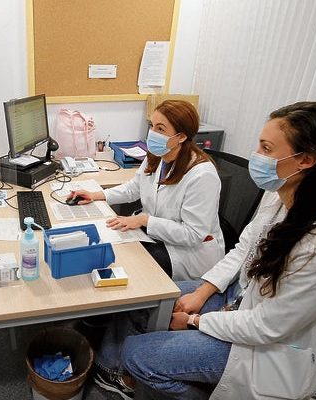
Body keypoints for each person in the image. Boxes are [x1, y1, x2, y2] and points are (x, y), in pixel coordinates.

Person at [94, 102, 316, 400]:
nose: (257, 156)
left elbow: (267, 326)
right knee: (145, 297)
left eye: (266, 148)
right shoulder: (282, 195)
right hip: (240, 298)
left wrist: (195, 320)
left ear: (304, 160)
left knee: (138, 353)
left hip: (268, 348)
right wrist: (202, 293)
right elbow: (244, 248)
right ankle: (120, 372)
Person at [68, 100, 224, 280]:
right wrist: (97, 195)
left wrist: (144, 220)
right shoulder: (157, 155)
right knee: (111, 248)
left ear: (181, 137)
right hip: (157, 237)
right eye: (152, 126)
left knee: (131, 269)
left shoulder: (202, 175)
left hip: (187, 253)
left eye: (161, 129)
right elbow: (134, 188)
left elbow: (193, 234)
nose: (152, 133)